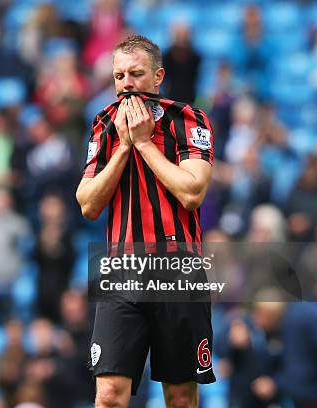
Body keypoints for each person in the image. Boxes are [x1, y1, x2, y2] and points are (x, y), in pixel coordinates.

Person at [76, 35, 215, 407]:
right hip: (123, 269)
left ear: (158, 76)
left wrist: (143, 143)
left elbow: (192, 192)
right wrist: (123, 146)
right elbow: (87, 204)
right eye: (118, 75)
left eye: (136, 74)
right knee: (107, 396)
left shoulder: (189, 119)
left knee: (181, 398)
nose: (126, 84)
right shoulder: (104, 123)